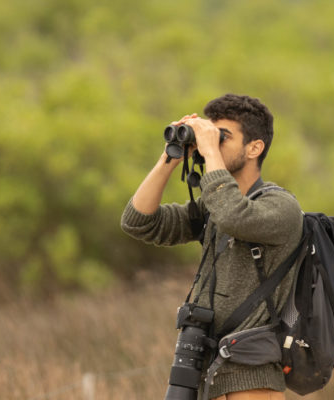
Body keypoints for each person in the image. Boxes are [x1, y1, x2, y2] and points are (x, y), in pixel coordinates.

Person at [120, 94, 303, 399]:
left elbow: (234, 216)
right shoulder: (212, 208)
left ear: (254, 147)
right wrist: (171, 156)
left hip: (251, 380)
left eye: (223, 138)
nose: (211, 145)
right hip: (207, 373)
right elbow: (138, 221)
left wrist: (208, 148)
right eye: (210, 136)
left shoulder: (281, 207)